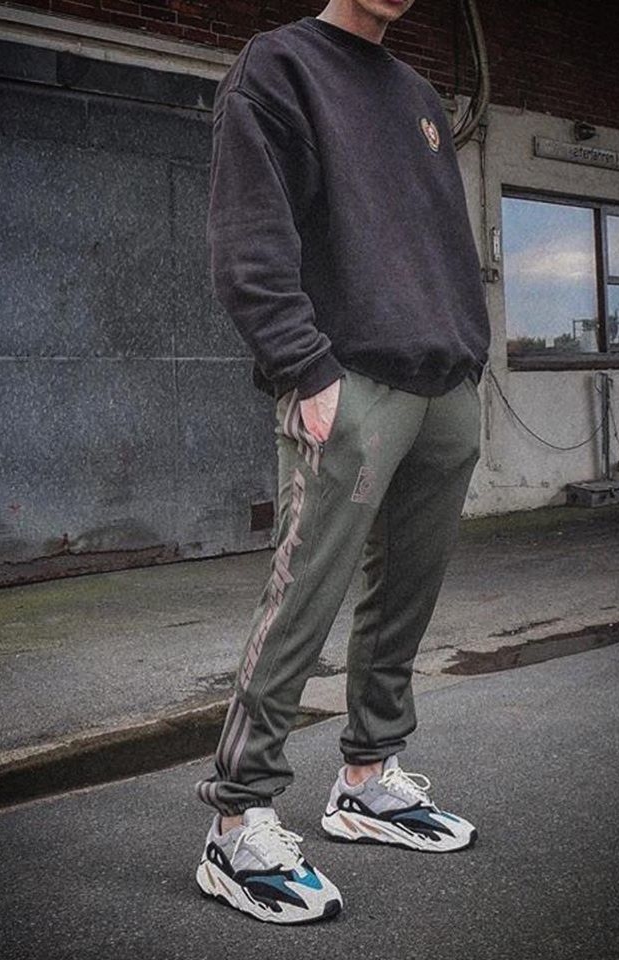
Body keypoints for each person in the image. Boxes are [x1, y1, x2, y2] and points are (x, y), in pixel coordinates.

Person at [194, 0, 491, 923]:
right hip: (346, 380)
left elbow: (442, 242)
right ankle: (238, 820)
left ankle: (366, 780)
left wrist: (469, 356)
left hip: (441, 383)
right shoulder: (279, 68)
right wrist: (304, 367)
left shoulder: (420, 97)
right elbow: (248, 239)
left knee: (408, 591)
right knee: (304, 596)